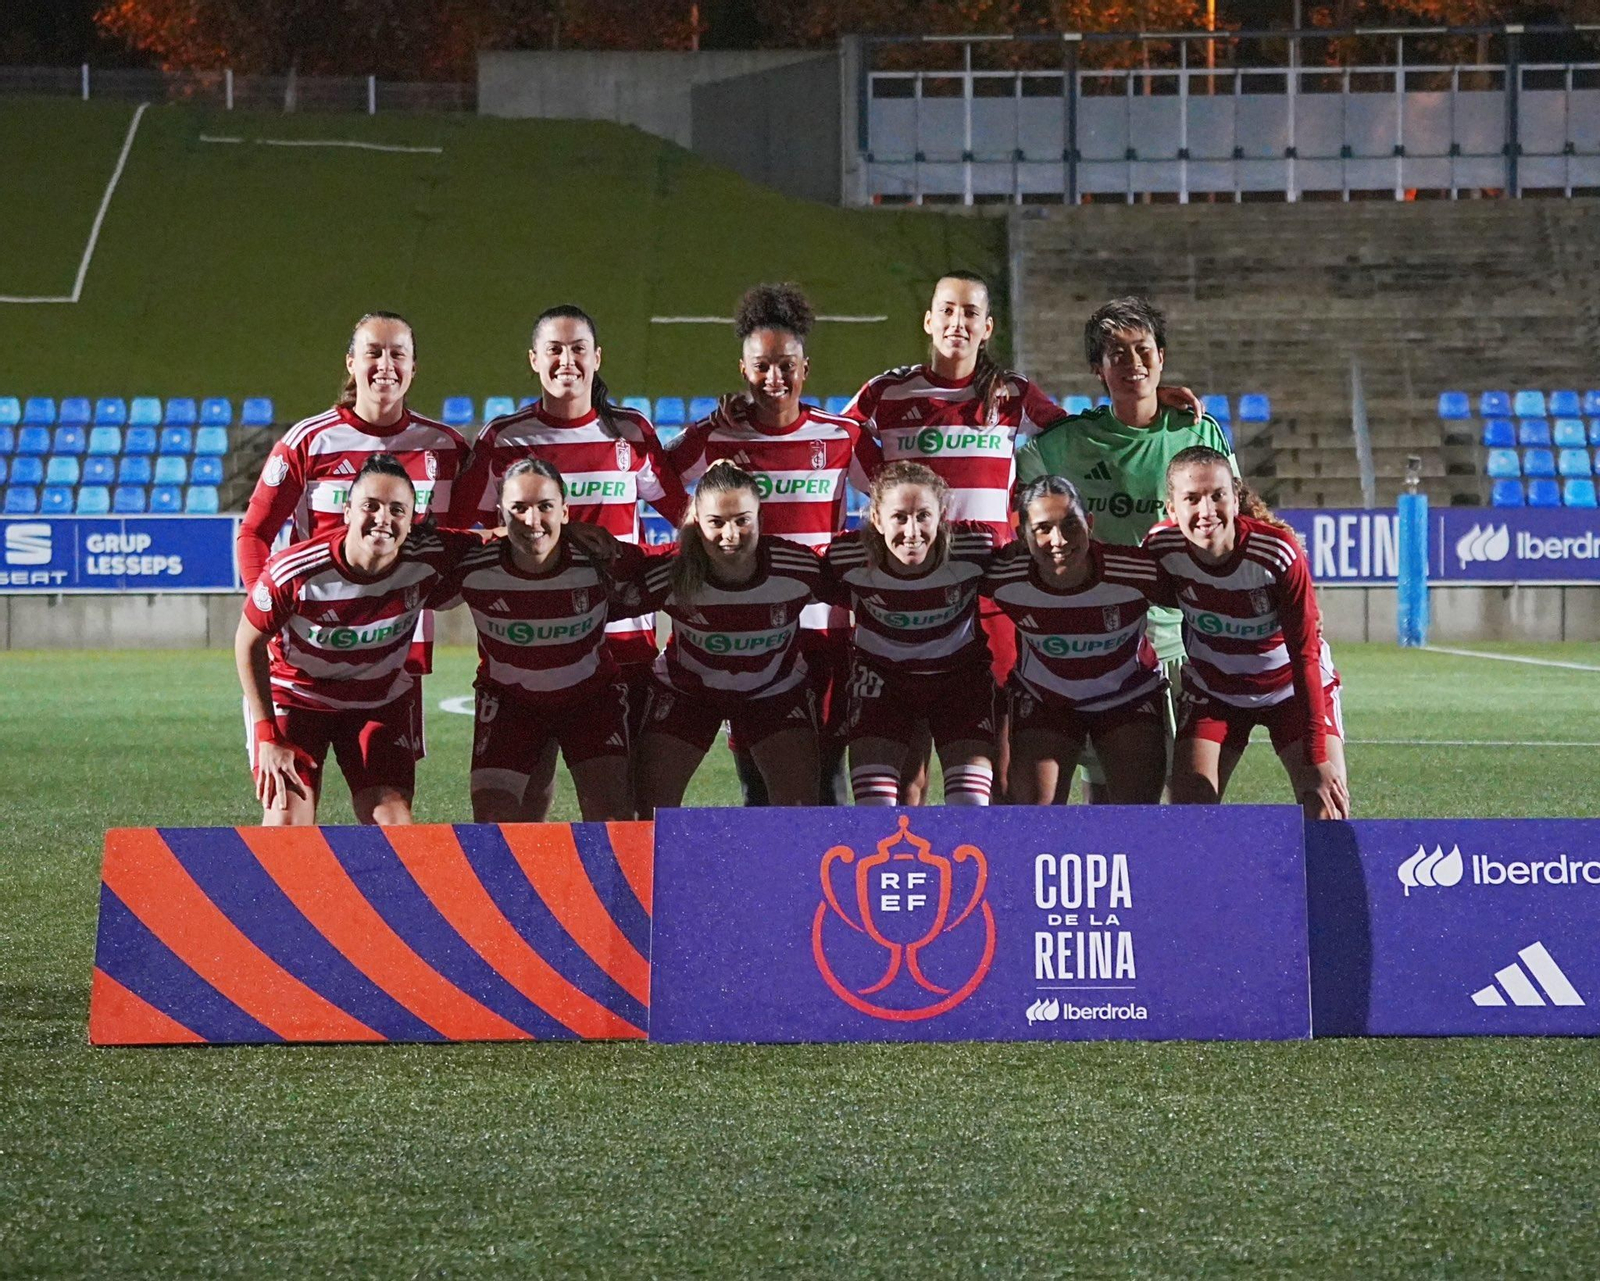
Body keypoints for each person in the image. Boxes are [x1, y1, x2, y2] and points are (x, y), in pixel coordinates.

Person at [666, 283, 879, 806]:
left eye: (787, 365)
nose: (775, 378)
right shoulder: (719, 436)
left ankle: (822, 885)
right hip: (748, 637)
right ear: (743, 370)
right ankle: (764, 885)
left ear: (805, 368)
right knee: (756, 784)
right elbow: (657, 480)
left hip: (820, 635)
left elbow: (896, 494)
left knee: (826, 782)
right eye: (762, 365)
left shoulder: (839, 436)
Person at [235, 311, 471, 765]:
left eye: (397, 354)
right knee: (287, 825)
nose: (386, 364)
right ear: (351, 363)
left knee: (389, 816)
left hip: (392, 659)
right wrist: (268, 605)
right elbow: (255, 532)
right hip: (306, 656)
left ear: (414, 368)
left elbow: (460, 541)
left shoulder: (446, 448)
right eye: (373, 353)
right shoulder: (309, 441)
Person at [1015, 295, 1225, 801]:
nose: (1134, 363)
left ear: (1162, 357)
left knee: (1184, 798)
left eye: (1144, 350)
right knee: (1104, 798)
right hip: (1091, 645)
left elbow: (1230, 527)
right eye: (1118, 354)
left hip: (1178, 643)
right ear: (1097, 368)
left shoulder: (1198, 432)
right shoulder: (1059, 445)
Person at [448, 306, 687, 742]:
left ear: (597, 357)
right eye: (554, 350)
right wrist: (551, 533)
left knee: (625, 793)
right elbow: (459, 536)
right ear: (534, 359)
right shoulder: (505, 439)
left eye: (578, 349)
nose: (567, 360)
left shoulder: (631, 432)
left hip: (625, 639)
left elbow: (685, 516)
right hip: (535, 643)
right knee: (528, 794)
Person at [236, 455, 469, 827]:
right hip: (298, 699)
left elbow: (504, 540)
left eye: (397, 510)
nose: (383, 519)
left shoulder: (432, 556)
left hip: (379, 700)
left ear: (412, 521)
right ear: (347, 511)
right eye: (370, 506)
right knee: (285, 823)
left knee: (393, 823)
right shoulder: (294, 572)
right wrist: (267, 736)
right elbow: (247, 643)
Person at [1145, 446, 1350, 821]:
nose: (1206, 511)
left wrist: (1318, 758)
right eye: (1191, 499)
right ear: (1172, 509)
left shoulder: (1276, 553)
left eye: (1217, 496)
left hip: (1290, 689)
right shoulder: (1160, 548)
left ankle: (1324, 879)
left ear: (1235, 498)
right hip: (1215, 693)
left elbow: (1304, 654)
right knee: (1187, 817)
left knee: (1325, 806)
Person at [431, 459, 639, 823]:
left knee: (612, 816)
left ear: (565, 511)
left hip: (589, 697)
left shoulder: (600, 559)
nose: (532, 520)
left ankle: (609, 882)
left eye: (545, 507)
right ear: (500, 513)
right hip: (511, 700)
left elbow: (676, 566)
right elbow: (416, 550)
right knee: (495, 820)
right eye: (519, 508)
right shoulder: (472, 562)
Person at [633, 461, 828, 814]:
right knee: (648, 811)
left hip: (774, 690)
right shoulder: (669, 573)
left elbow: (864, 583)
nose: (730, 534)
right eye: (716, 523)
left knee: (800, 813)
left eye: (742, 520)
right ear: (697, 522)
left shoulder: (798, 568)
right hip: (687, 691)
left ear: (760, 517)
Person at [982, 476, 1169, 806]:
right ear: (1022, 534)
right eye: (1042, 528)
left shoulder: (1135, 571)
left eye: (1071, 524)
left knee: (1137, 819)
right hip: (1045, 701)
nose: (1058, 539)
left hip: (1127, 697)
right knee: (1030, 822)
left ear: (1090, 524)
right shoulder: (1002, 576)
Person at [825, 462, 999, 806]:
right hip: (882, 684)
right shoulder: (846, 557)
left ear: (942, 515)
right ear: (875, 518)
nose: (912, 530)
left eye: (923, 515)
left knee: (971, 806)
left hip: (959, 681)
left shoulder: (976, 546)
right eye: (899, 517)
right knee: (875, 808)